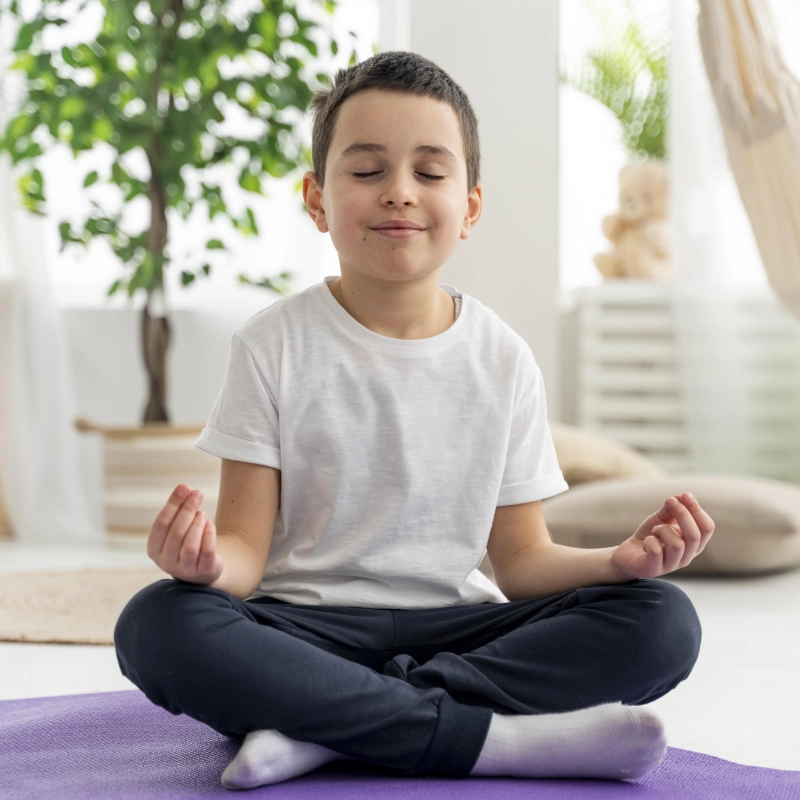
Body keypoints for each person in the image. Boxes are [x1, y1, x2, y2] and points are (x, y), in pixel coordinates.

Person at [114, 51, 712, 791]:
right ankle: (490, 740)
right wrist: (205, 567)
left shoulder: (503, 357)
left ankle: (325, 728)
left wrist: (617, 564)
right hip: (305, 630)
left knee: (662, 621)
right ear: (317, 201)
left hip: (459, 631)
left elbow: (522, 563)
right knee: (158, 623)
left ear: (470, 208)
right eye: (368, 170)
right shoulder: (271, 344)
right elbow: (244, 550)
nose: (399, 191)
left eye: (429, 172)